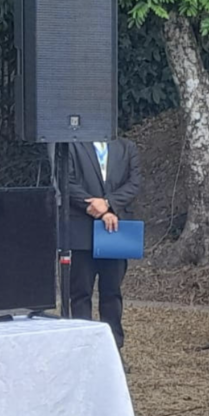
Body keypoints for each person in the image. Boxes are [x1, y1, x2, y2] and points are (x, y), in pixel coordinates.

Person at [67, 137, 142, 353]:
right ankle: (82, 348)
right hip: (82, 231)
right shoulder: (73, 145)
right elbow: (67, 182)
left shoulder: (127, 146)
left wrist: (108, 204)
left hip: (115, 230)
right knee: (80, 293)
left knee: (112, 293)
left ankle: (113, 350)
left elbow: (134, 183)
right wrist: (98, 209)